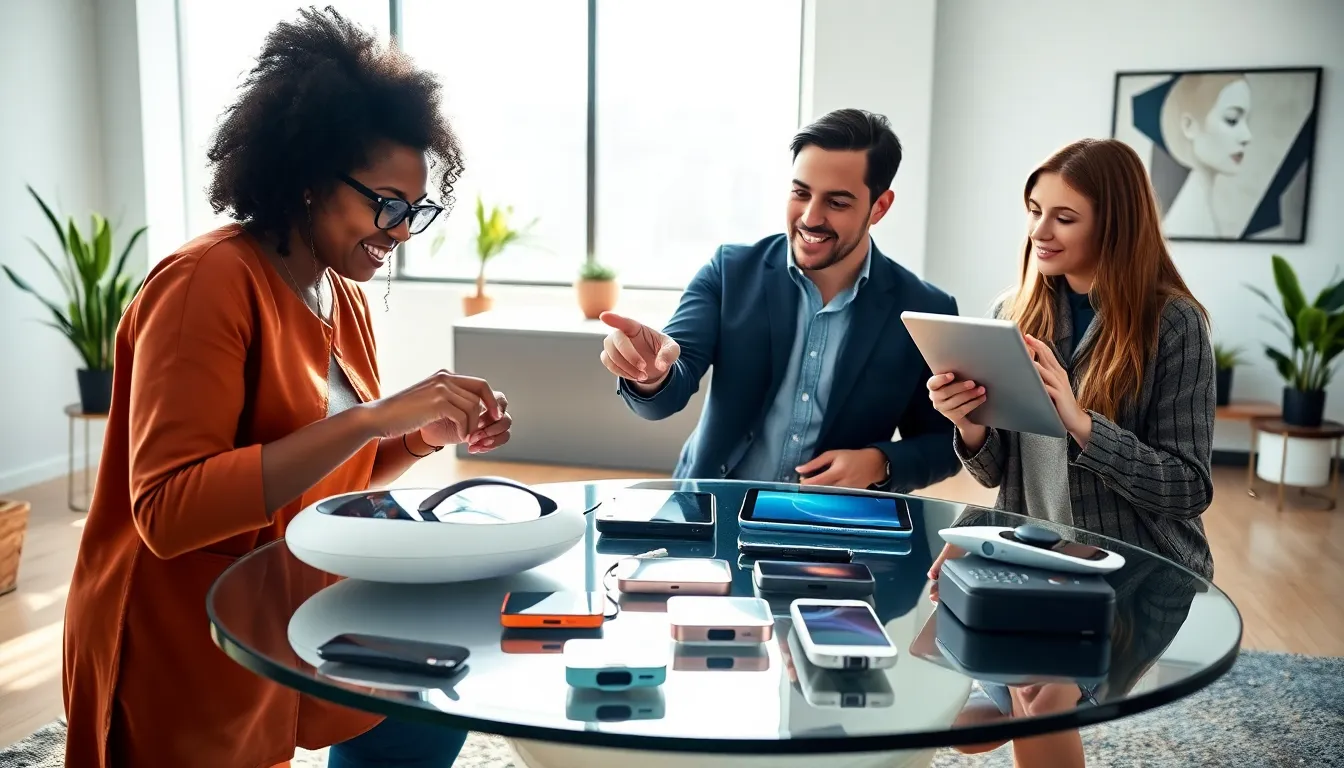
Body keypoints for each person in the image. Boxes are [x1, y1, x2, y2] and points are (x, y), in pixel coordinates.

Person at [61, 9, 507, 767]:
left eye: (416, 209)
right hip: (175, 643)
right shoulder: (207, 283)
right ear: (307, 179)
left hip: (279, 614)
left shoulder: (343, 295)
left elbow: (335, 464)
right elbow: (167, 511)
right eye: (385, 204)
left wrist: (417, 436)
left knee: (429, 703)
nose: (400, 230)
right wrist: (373, 418)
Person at [598, 108, 961, 493]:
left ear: (880, 207)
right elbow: (666, 390)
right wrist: (651, 376)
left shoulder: (926, 310)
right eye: (800, 193)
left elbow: (946, 443)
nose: (810, 217)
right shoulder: (730, 272)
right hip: (712, 510)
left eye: (837, 203)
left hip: (837, 527)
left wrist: (881, 463)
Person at [926, 137, 1216, 581]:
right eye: (1034, 209)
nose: (1039, 231)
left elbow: (1189, 489)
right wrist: (968, 422)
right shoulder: (1012, 314)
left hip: (1138, 570)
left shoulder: (1174, 323)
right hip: (1033, 554)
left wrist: (1082, 424)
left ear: (1114, 227)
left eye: (1064, 218)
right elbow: (997, 476)